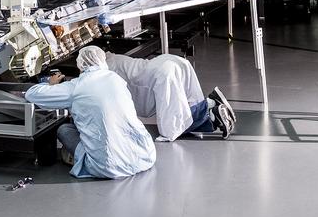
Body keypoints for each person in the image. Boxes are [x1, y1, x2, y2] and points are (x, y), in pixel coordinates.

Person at [25, 46, 156, 180]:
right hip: (144, 156)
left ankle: (81, 158)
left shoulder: (76, 86)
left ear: (80, 64)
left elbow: (31, 94)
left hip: (109, 165)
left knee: (64, 130)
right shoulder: (117, 79)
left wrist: (50, 84)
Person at [105, 51, 237, 140]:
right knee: (191, 104)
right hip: (173, 62)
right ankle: (211, 107)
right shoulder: (109, 57)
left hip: (162, 75)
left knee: (173, 127)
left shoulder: (102, 72)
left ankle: (211, 111)